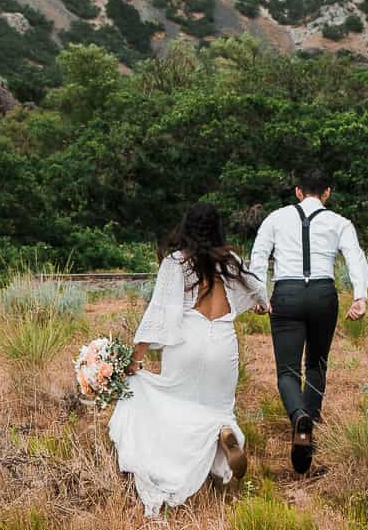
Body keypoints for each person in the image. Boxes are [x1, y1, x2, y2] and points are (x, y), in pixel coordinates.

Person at [109, 202, 269, 517]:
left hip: (188, 340)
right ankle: (224, 433)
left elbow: (158, 313)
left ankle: (176, 471)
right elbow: (259, 290)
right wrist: (263, 304)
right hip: (223, 341)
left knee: (177, 406)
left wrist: (135, 360)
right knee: (218, 407)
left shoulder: (176, 263)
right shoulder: (230, 260)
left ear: (187, 227)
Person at [249, 168, 368, 474]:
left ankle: (298, 416)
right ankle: (308, 429)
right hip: (322, 295)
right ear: (327, 192)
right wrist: (360, 296)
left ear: (298, 192)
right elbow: (355, 258)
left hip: (286, 294)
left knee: (287, 371)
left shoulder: (275, 218)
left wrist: (259, 297)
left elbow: (259, 256)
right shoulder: (339, 222)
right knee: (316, 364)